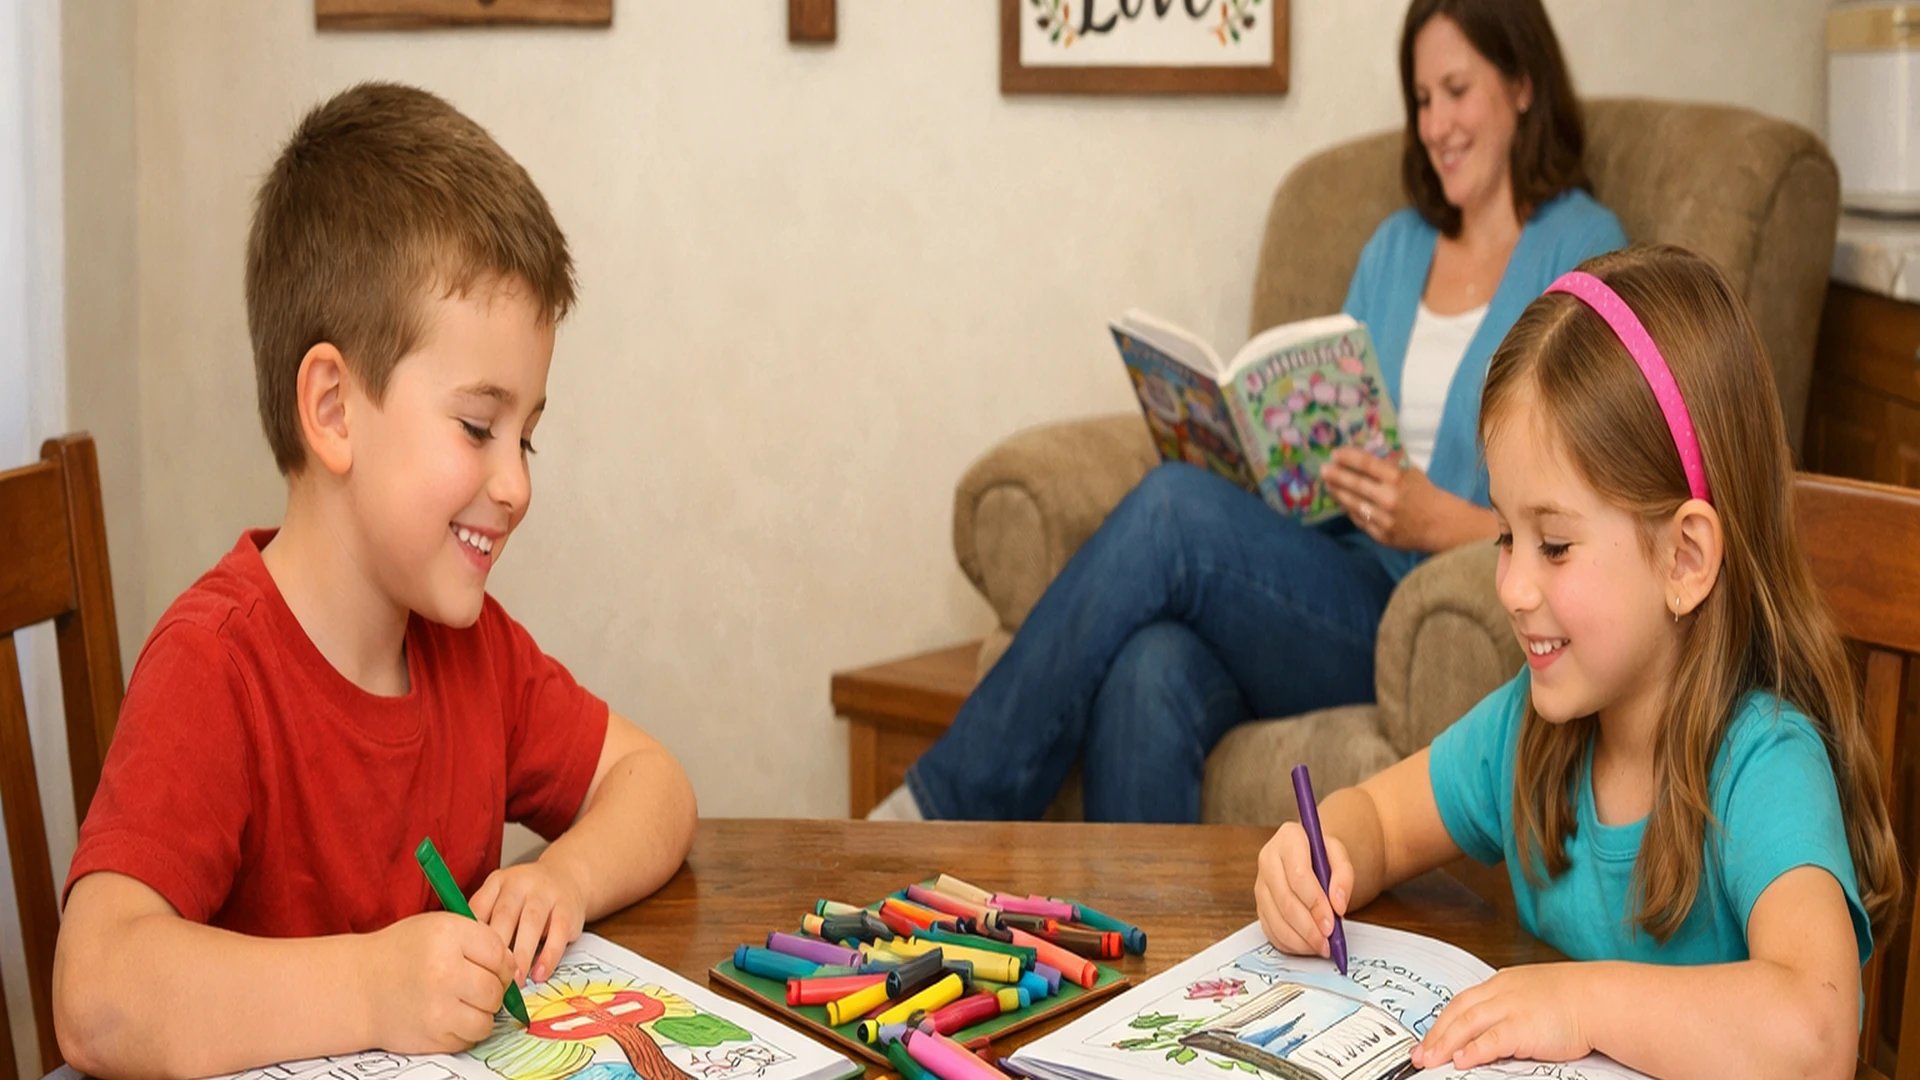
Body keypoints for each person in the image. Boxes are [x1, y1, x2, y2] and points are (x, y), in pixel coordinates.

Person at [53, 83, 699, 1077]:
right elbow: (96, 998)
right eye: (480, 428)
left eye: (529, 437)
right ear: (335, 409)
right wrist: (370, 987)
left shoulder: (471, 653)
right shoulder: (215, 668)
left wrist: (562, 877)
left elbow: (654, 785)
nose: (517, 483)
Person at [874, 0, 1627, 823]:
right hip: (1329, 569)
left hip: (1425, 604)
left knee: (1170, 507)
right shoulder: (1394, 247)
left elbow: (1588, 506)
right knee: (1148, 669)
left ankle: (948, 801)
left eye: (1456, 90)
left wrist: (1432, 518)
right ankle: (1151, 950)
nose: (1436, 124)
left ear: (1521, 84)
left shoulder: (1581, 249)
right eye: (1421, 100)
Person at [1254, 245, 1902, 1078]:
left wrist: (1579, 1002)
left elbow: (1816, 1035)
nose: (1514, 586)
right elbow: (1377, 820)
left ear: (1684, 560)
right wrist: (1317, 857)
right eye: (1504, 536)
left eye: (1553, 544)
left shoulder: (1765, 762)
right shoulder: (1528, 728)